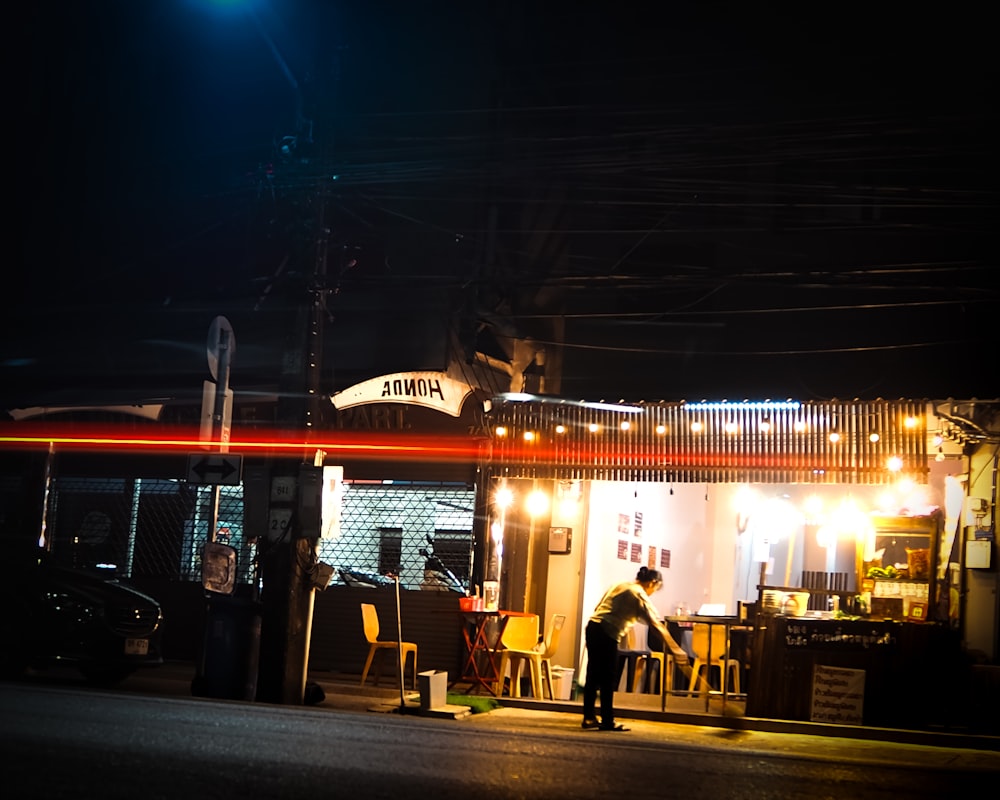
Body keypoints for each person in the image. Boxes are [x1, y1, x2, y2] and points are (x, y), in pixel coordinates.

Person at [582, 566, 688, 731]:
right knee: (607, 679)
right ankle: (608, 721)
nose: (653, 592)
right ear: (653, 583)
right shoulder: (639, 594)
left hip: (593, 627)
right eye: (656, 588)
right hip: (607, 633)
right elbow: (656, 625)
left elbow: (598, 608)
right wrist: (676, 649)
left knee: (593, 675)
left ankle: (589, 718)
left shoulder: (619, 585)